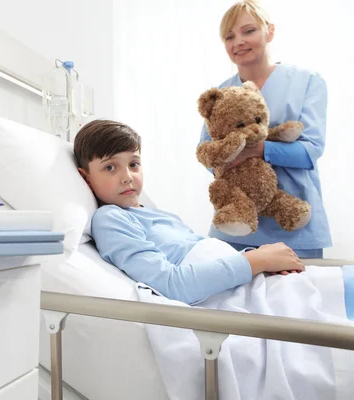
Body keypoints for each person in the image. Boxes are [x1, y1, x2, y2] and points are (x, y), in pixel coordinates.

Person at [74, 119, 305, 305]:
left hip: (246, 282)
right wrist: (256, 260)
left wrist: (261, 260)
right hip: (233, 295)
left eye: (134, 164)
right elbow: (172, 284)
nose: (127, 176)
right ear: (85, 177)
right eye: (110, 167)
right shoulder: (111, 219)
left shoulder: (157, 214)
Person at [198, 0, 331, 258]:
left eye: (249, 31)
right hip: (235, 226)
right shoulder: (222, 92)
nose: (238, 42)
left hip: (294, 227)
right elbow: (206, 153)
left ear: (269, 31)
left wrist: (258, 149)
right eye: (229, 36)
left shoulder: (307, 81)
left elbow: (310, 150)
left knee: (299, 297)